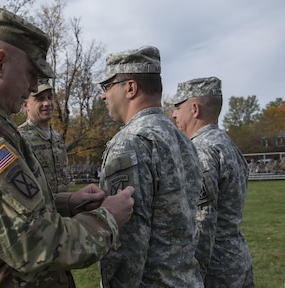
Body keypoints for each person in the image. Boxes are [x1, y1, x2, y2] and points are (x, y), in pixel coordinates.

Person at [0, 8, 135, 288]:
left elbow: (3, 211)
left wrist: (67, 203)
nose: (34, 87)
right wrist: (108, 218)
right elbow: (34, 246)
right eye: (31, 74)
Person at [93, 46, 203, 287]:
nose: (103, 96)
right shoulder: (182, 139)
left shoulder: (131, 142)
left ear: (130, 88)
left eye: (107, 86)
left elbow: (124, 241)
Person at [168, 76, 255, 287]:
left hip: (215, 270)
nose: (174, 114)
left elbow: (202, 221)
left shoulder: (200, 150)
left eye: (178, 107)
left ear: (195, 109)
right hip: (237, 258)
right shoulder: (228, 144)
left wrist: (193, 273)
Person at [19, 81, 70, 193]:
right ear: (25, 104)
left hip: (65, 207)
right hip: (39, 209)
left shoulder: (57, 138)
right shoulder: (20, 138)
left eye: (50, 97)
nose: (47, 103)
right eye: (40, 99)